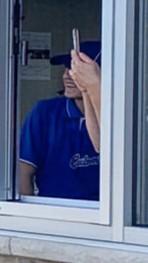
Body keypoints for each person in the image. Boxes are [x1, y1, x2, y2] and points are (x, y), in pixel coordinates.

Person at [18, 40, 102, 200]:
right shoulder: (45, 112)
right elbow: (23, 171)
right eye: (67, 68)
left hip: (106, 215)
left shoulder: (120, 117)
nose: (67, 76)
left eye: (76, 70)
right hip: (57, 213)